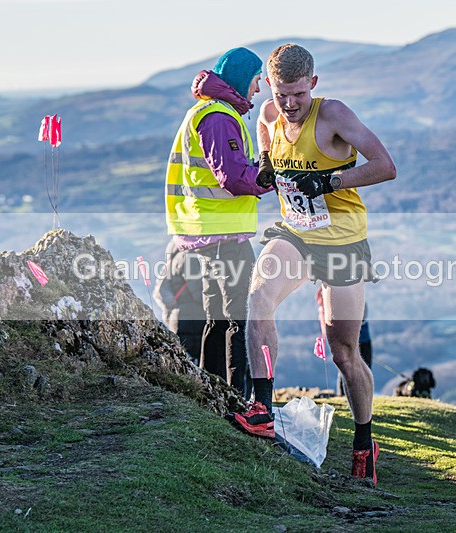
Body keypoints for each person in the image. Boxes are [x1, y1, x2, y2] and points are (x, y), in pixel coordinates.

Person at [229, 44, 396, 485]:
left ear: (313, 85)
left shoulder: (334, 115)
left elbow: (385, 166)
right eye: (282, 94)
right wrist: (266, 163)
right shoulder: (268, 114)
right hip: (297, 234)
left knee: (343, 351)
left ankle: (364, 440)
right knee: (258, 294)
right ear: (271, 86)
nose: (289, 104)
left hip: (342, 240)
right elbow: (266, 131)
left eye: (298, 95)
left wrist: (330, 179)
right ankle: (262, 406)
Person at [164, 47, 274, 398]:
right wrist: (270, 175)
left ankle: (214, 394)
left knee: (217, 318)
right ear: (243, 80)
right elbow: (233, 177)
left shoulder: (206, 111)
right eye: (257, 80)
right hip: (223, 235)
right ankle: (237, 398)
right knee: (240, 318)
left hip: (205, 233)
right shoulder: (220, 117)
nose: (258, 89)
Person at [153, 240, 211, 362]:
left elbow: (159, 292)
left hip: (177, 319)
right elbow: (198, 292)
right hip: (194, 320)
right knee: (200, 362)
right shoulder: (190, 256)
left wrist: (174, 310)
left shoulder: (173, 260)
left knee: (183, 361)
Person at [315, 284, 372, 395]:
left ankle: (359, 394)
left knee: (353, 366)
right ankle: (345, 395)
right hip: (353, 334)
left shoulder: (346, 285)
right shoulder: (329, 290)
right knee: (347, 366)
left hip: (362, 334)